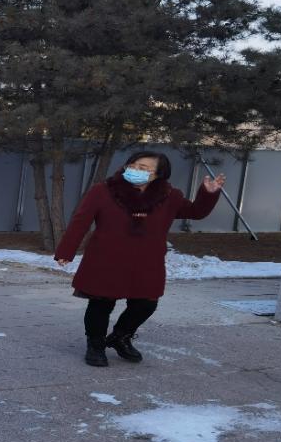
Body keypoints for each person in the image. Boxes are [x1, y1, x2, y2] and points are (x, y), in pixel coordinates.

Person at [54, 151, 225, 367]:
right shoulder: (103, 191)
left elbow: (195, 212)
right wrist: (66, 251)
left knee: (146, 304)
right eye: (133, 165)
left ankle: (120, 336)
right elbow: (81, 220)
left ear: (158, 174)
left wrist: (208, 193)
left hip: (147, 262)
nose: (135, 170)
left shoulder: (169, 196)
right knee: (101, 304)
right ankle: (95, 344)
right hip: (105, 259)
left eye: (143, 168)